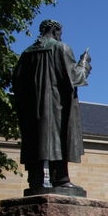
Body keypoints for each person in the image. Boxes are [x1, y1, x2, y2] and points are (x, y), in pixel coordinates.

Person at [12, 19, 91, 194]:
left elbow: (16, 82)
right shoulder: (60, 48)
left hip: (32, 109)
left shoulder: (26, 53)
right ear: (54, 30)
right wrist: (84, 63)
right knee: (60, 138)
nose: (60, 35)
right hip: (56, 106)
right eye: (60, 32)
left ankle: (36, 180)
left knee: (36, 140)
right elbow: (75, 78)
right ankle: (61, 179)